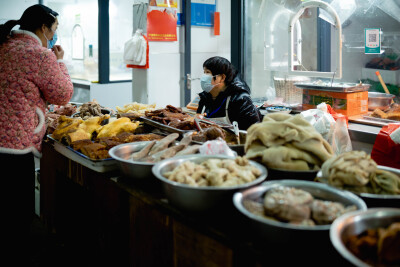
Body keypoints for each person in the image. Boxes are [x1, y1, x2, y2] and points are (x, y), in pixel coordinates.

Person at [0, 4, 73, 262]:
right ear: (44, 28)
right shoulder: (38, 55)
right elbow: (62, 94)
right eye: (53, 30)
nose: (53, 37)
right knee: (18, 213)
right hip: (16, 143)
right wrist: (59, 62)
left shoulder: (4, 45)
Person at [196, 56, 262, 130]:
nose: (204, 77)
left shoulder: (240, 99)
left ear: (222, 78)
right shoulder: (205, 97)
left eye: (208, 72)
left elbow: (254, 132)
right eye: (204, 72)